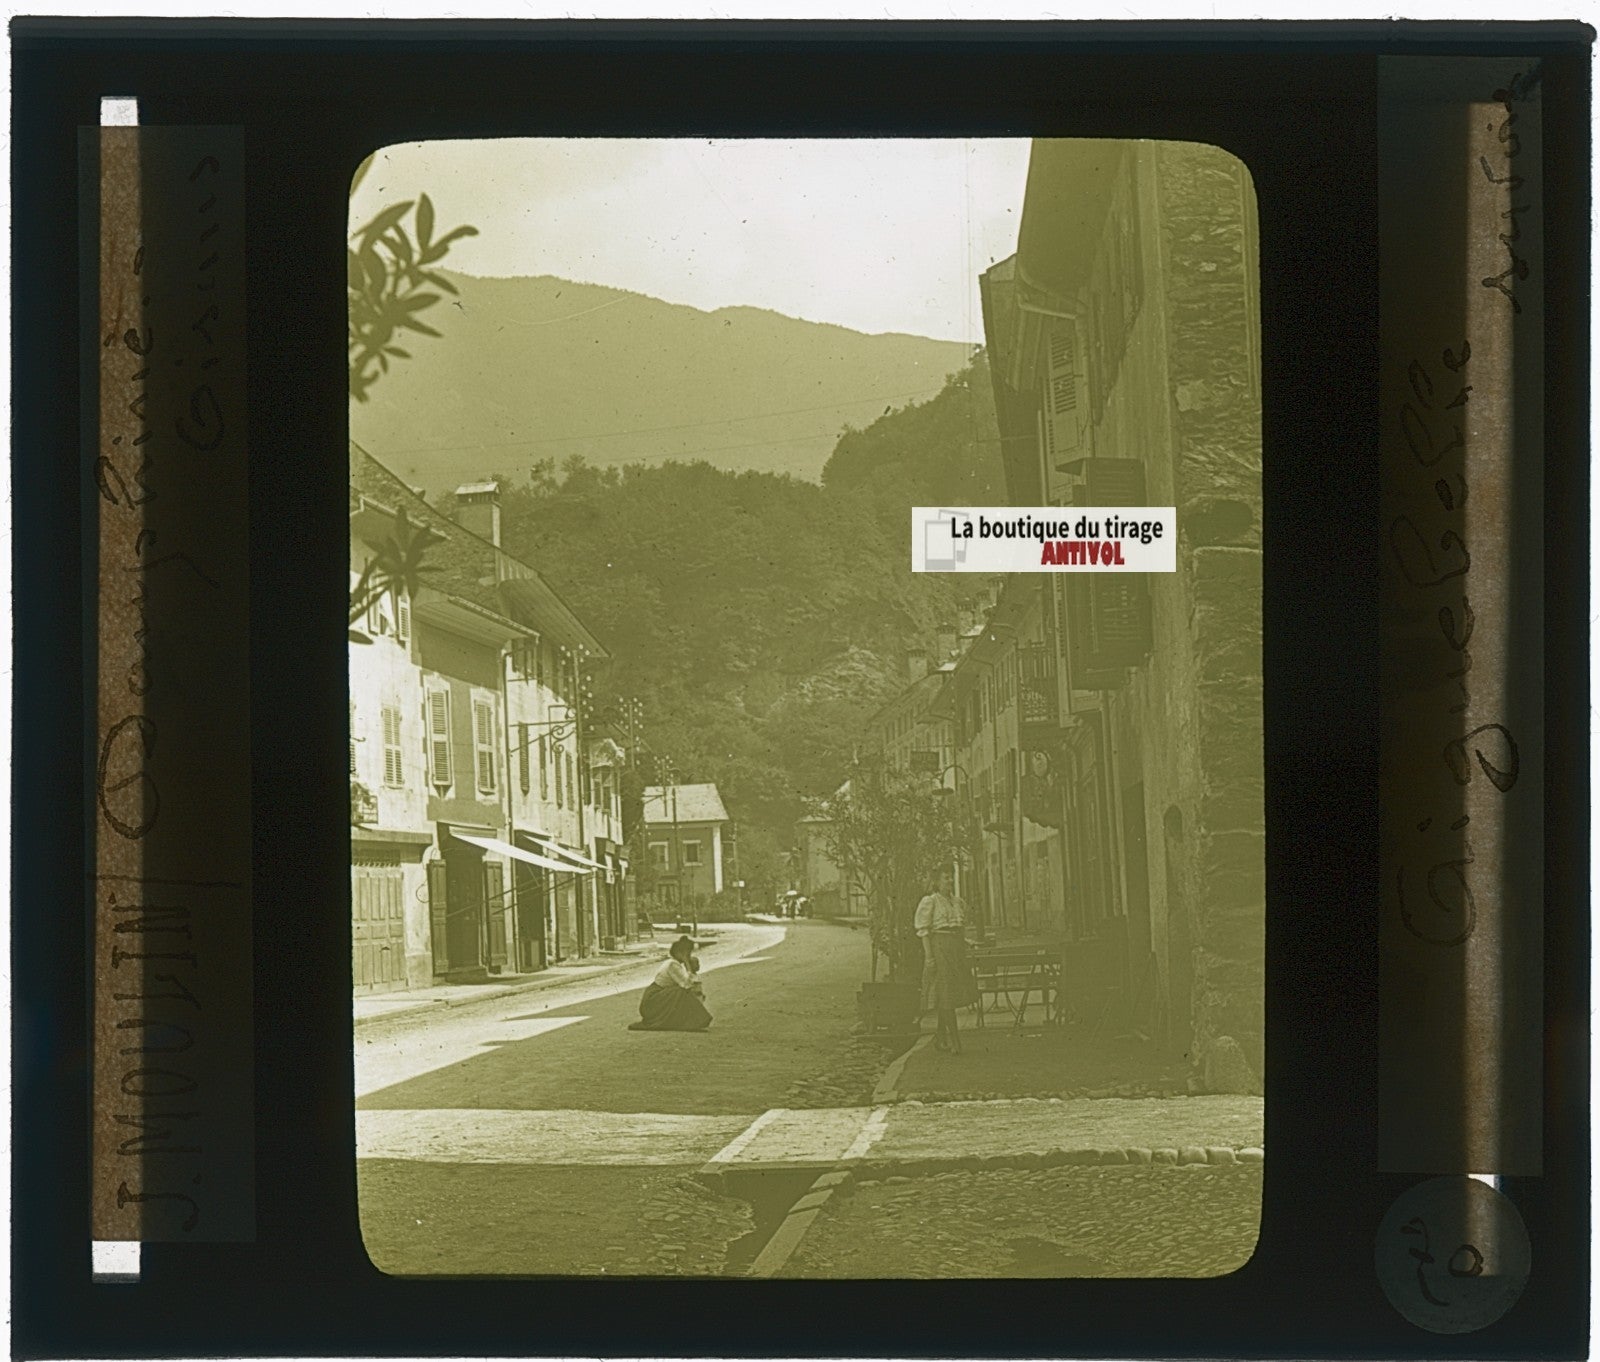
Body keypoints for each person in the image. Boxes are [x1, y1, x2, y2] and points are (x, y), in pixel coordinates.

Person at [915, 868, 977, 1053]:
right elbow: (924, 931)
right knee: (947, 993)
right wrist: (929, 957)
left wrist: (965, 941)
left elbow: (957, 927)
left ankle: (941, 1037)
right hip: (940, 949)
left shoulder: (957, 902)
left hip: (957, 950)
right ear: (937, 882)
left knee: (949, 994)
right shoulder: (930, 901)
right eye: (946, 877)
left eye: (951, 877)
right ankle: (955, 1041)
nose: (950, 881)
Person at [628, 935, 713, 1032]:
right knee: (681, 992)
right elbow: (687, 985)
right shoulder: (673, 965)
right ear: (679, 953)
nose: (689, 956)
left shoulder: (675, 964)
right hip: (653, 1000)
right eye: (687, 953)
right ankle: (694, 1021)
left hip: (659, 997)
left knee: (680, 992)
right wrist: (687, 964)